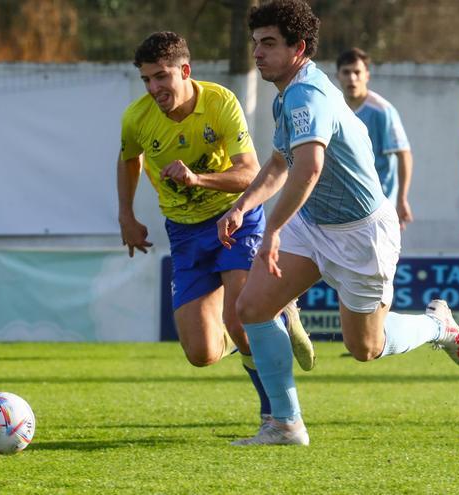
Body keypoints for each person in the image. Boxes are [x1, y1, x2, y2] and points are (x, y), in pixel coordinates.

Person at [217, 0, 459, 447]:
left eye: (269, 43)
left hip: (361, 235)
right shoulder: (289, 93)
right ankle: (285, 423)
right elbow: (281, 160)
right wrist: (243, 205)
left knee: (365, 349)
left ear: (298, 47)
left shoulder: (307, 94)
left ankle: (439, 326)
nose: (258, 53)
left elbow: (309, 168)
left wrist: (272, 229)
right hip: (313, 223)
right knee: (252, 308)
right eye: (255, 43)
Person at [117, 31, 316, 427]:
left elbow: (250, 173)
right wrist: (126, 215)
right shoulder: (137, 118)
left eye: (161, 76)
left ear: (185, 71)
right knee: (201, 353)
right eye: (146, 80)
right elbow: (128, 159)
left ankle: (276, 416)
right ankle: (275, 316)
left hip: (235, 218)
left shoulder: (220, 102)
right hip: (185, 232)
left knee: (241, 321)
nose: (154, 88)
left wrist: (198, 179)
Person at [336, 48, 414, 230]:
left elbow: (404, 155)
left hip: (379, 206)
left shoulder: (383, 111)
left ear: (367, 76)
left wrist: (402, 199)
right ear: (338, 76)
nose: (352, 78)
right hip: (344, 209)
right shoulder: (334, 109)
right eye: (346, 72)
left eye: (357, 72)